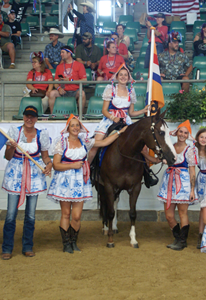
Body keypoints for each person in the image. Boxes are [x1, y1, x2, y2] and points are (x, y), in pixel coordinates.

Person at [47, 114, 127, 253]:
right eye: (72, 125)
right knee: (66, 213)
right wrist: (73, 166)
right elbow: (56, 165)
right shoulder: (61, 142)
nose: (75, 128)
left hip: (79, 182)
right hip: (64, 181)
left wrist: (119, 132)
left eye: (77, 125)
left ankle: (73, 241)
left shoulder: (84, 141)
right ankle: (66, 243)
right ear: (68, 128)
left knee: (77, 216)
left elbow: (104, 142)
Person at [1, 106, 52, 260]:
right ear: (23, 117)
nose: (29, 119)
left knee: (30, 214)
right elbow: (8, 157)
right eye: (27, 116)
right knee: (10, 214)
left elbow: (45, 156)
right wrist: (11, 147)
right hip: (15, 174)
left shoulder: (41, 134)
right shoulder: (14, 132)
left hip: (34, 175)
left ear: (36, 119)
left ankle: (27, 246)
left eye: (33, 117)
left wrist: (49, 165)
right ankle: (7, 248)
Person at [88, 63, 149, 164]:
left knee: (143, 147)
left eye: (125, 75)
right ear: (117, 76)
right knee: (95, 146)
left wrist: (143, 110)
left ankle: (146, 173)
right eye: (121, 74)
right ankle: (87, 170)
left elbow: (131, 113)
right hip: (110, 120)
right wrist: (113, 118)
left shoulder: (131, 91)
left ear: (129, 77)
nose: (123, 77)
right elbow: (104, 110)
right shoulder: (110, 89)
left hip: (126, 120)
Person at [157, 120, 197, 251]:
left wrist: (192, 190)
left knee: (182, 213)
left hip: (183, 183)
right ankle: (178, 237)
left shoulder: (190, 150)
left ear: (188, 135)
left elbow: (192, 171)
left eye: (186, 133)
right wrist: (145, 154)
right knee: (169, 215)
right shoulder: (170, 146)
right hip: (169, 181)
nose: (183, 135)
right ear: (177, 132)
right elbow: (159, 160)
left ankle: (182, 241)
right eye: (181, 131)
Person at [49, 46, 87, 114]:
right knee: (52, 93)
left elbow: (84, 81)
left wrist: (71, 80)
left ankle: (80, 115)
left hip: (75, 91)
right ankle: (53, 115)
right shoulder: (59, 66)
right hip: (63, 91)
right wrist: (59, 88)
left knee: (82, 93)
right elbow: (56, 82)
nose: (61, 54)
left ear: (69, 53)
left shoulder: (79, 65)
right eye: (61, 53)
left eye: (63, 52)